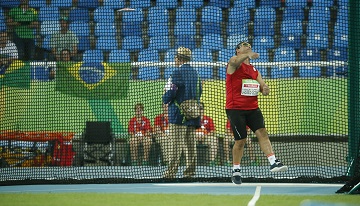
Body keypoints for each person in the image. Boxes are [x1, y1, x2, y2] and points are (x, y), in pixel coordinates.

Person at [225, 41, 287, 185]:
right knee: (240, 141)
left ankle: (273, 161)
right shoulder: (233, 63)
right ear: (237, 50)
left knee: (262, 132)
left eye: (249, 45)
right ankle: (236, 170)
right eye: (244, 45)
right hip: (235, 109)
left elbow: (262, 86)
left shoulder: (254, 70)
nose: (248, 46)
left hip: (253, 108)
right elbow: (234, 61)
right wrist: (248, 54)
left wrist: (265, 89)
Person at [162, 47, 202, 178]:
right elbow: (199, 91)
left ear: (178, 58)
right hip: (193, 114)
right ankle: (189, 173)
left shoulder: (177, 73)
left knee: (175, 146)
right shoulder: (196, 73)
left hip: (178, 115)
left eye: (175, 57)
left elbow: (172, 92)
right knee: (191, 146)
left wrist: (165, 98)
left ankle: (170, 173)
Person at [194, 102, 218, 166]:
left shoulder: (208, 119)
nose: (200, 110)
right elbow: (189, 130)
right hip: (194, 138)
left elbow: (213, 131)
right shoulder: (192, 119)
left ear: (203, 109)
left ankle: (212, 161)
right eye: (198, 108)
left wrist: (205, 136)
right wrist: (195, 135)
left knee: (213, 139)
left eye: (201, 108)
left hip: (206, 137)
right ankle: (190, 162)